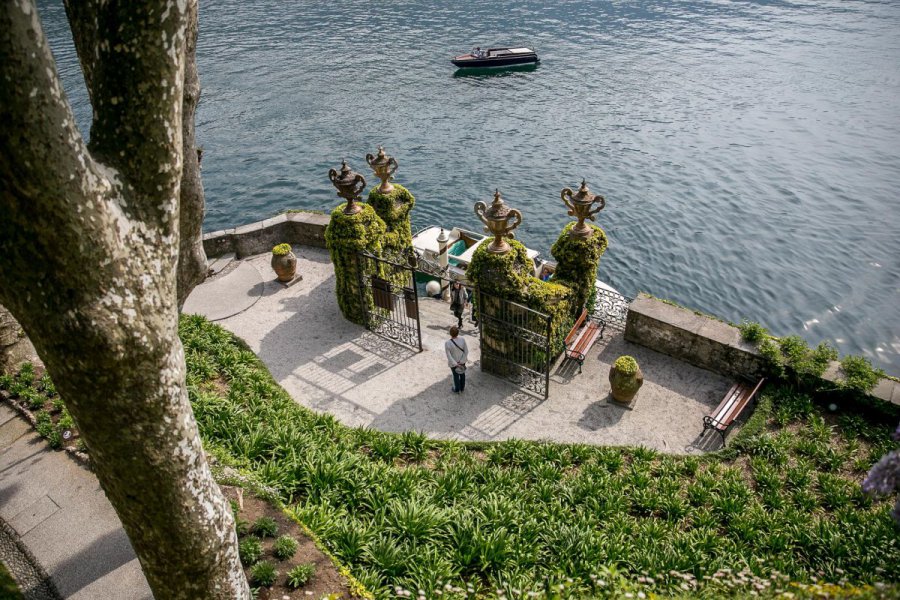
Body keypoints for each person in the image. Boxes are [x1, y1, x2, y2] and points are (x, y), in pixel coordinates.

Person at [445, 325, 468, 393]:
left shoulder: (447, 343)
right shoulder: (462, 339)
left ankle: (457, 389)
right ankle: (462, 388)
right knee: (462, 374)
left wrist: (455, 364)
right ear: (458, 333)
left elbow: (448, 356)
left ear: (450, 333)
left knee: (455, 376)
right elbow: (466, 351)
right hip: (462, 361)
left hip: (454, 363)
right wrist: (461, 361)